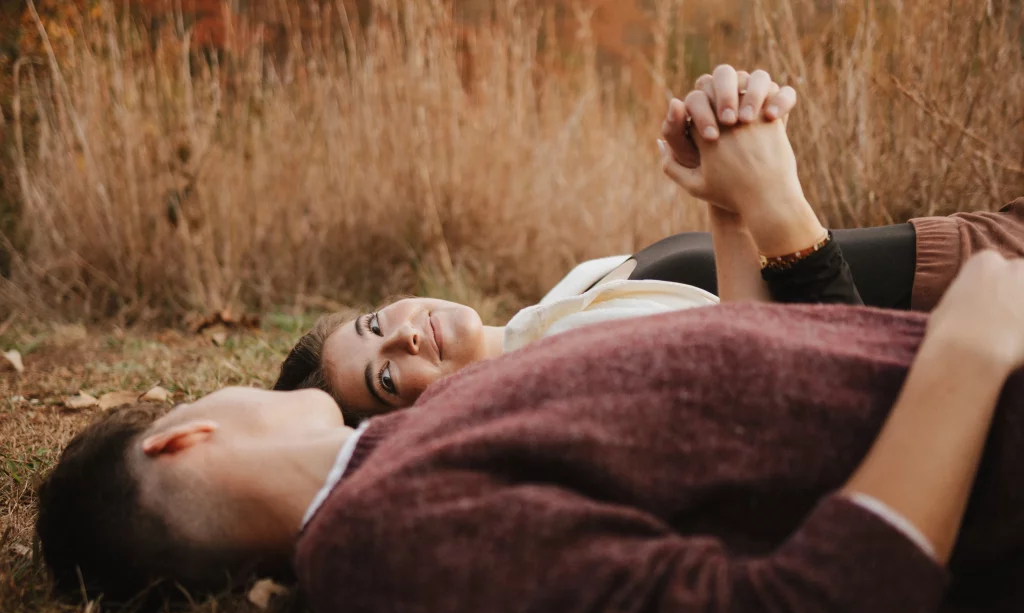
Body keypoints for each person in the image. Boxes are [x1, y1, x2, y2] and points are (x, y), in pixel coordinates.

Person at [35, 104, 1024, 613]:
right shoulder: (383, 548)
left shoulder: (417, 446)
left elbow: (758, 393)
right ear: (183, 437)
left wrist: (737, 206)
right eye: (382, 370)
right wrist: (964, 359)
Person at [273, 65, 1024, 425]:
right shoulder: (562, 388)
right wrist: (773, 200)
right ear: (406, 424)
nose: (404, 335)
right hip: (982, 320)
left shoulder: (564, 299)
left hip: (979, 239)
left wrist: (726, 167)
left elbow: (743, 321)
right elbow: (795, 375)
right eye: (385, 376)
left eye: (377, 324)